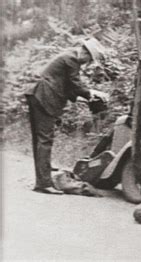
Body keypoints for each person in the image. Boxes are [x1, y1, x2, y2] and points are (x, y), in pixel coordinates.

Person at [25, 38, 108, 194]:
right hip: (44, 96)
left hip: (38, 95)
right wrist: (93, 92)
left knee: (40, 139)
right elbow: (75, 84)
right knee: (45, 140)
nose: (87, 63)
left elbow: (69, 88)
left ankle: (43, 177)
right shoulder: (71, 59)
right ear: (85, 52)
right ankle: (44, 183)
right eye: (89, 59)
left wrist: (85, 98)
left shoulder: (69, 57)